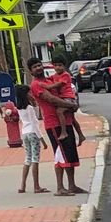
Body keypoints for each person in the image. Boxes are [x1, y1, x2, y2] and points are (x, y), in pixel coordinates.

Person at [30, 61, 84, 197]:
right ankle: (60, 187)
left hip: (66, 121)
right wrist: (70, 105)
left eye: (39, 65)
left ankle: (72, 185)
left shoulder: (50, 80)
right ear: (31, 71)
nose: (39, 68)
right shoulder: (36, 85)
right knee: (60, 155)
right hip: (54, 123)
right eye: (35, 67)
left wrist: (70, 105)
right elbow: (52, 99)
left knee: (70, 154)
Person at [13, 89, 46, 195]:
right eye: (29, 93)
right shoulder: (29, 108)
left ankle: (23, 185)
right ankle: (36, 186)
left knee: (27, 159)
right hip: (33, 133)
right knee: (35, 159)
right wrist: (42, 139)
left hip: (25, 133)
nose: (31, 94)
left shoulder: (19, 108)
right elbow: (35, 124)